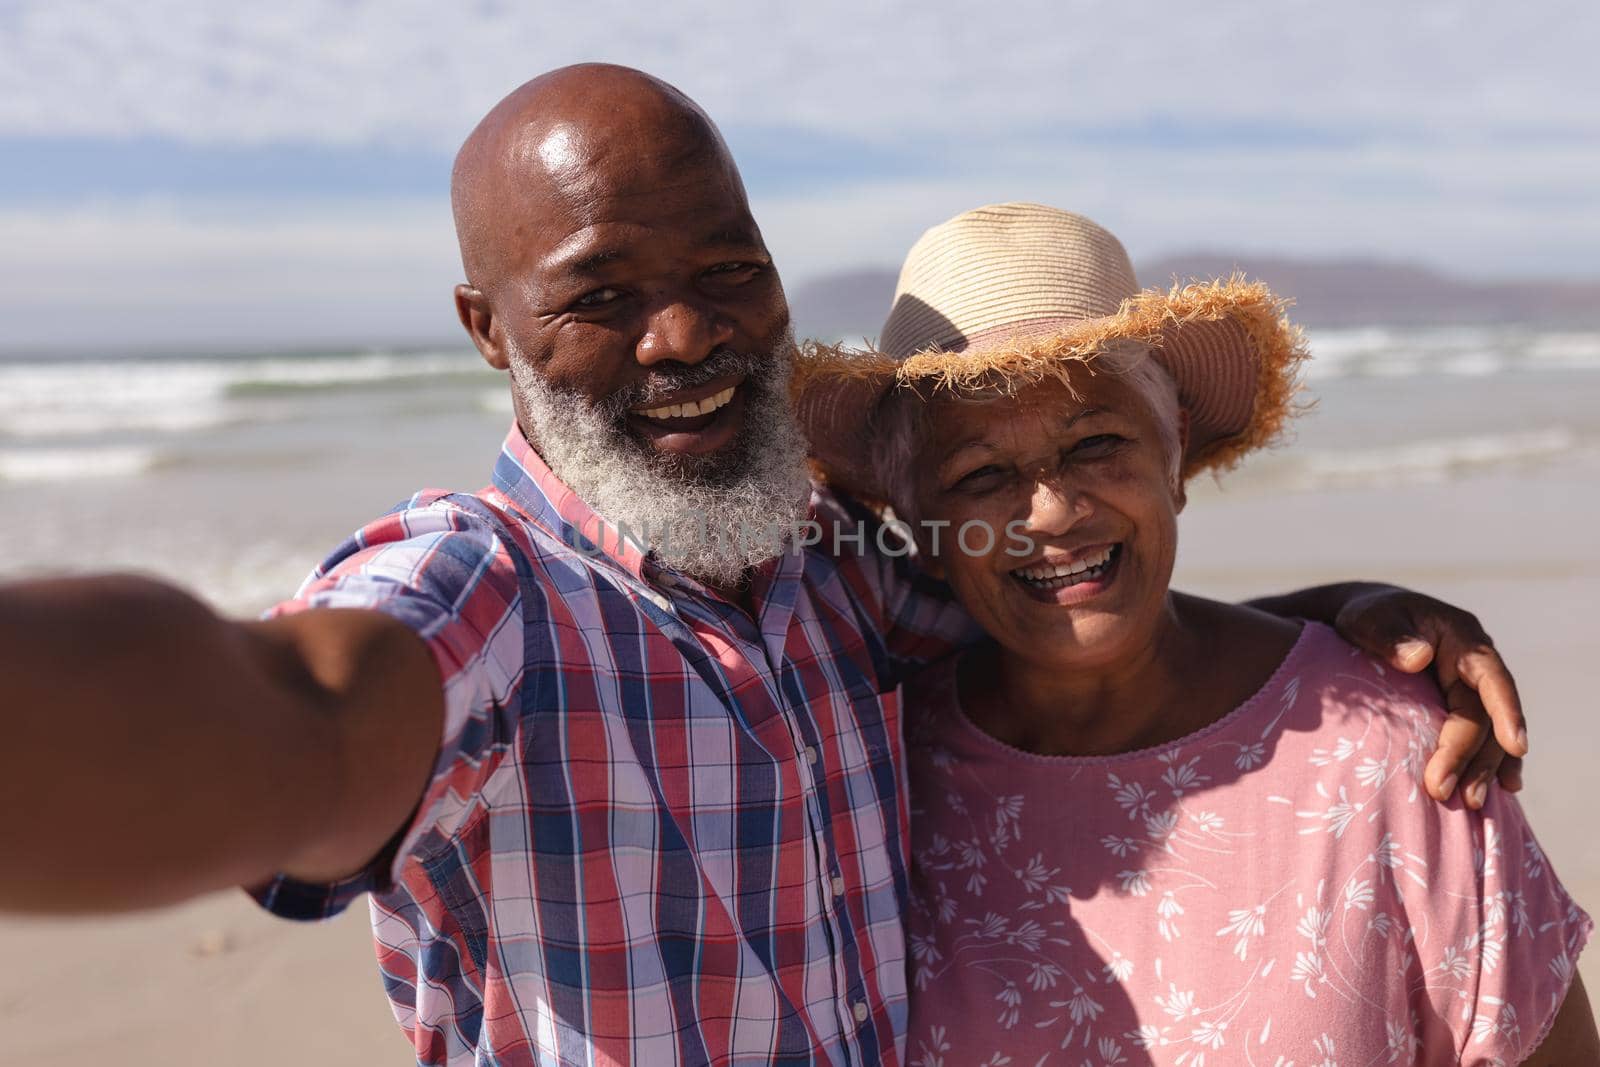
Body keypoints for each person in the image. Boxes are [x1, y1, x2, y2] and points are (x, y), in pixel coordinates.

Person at [0, 67, 1531, 1066]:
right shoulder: (489, 599)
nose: (685, 333)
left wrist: (1331, 627)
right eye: (601, 292)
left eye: (727, 269)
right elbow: (295, 704)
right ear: (487, 330)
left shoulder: (833, 575)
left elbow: (1067, 608)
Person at [796, 202, 1595, 1065]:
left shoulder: (1395, 753)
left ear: (1173, 446)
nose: (1055, 511)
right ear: (917, 519)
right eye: (982, 473)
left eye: (1097, 442)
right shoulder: (874, 779)